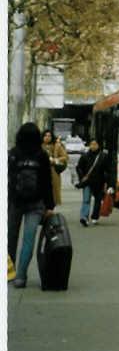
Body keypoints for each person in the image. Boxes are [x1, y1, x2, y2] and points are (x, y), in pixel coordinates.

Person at [8, 122, 55, 288]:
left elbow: (8, 180)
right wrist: (50, 206)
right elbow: (47, 182)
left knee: (10, 238)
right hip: (36, 204)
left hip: (15, 202)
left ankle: (9, 273)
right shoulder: (41, 155)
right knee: (28, 240)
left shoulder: (13, 154)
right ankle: (20, 277)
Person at [75, 139, 114, 226]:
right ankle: (84, 217)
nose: (93, 146)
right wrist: (82, 177)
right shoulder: (85, 156)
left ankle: (95, 217)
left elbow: (109, 171)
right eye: (91, 144)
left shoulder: (103, 156)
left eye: (95, 144)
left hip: (99, 182)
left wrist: (110, 185)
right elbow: (78, 167)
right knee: (86, 200)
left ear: (98, 145)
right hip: (87, 182)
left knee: (98, 200)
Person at [42, 129, 68, 206]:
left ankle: (50, 208)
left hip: (53, 173)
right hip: (41, 172)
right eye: (45, 136)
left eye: (49, 136)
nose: (47, 137)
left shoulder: (57, 145)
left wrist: (55, 160)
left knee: (53, 194)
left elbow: (65, 157)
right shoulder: (38, 146)